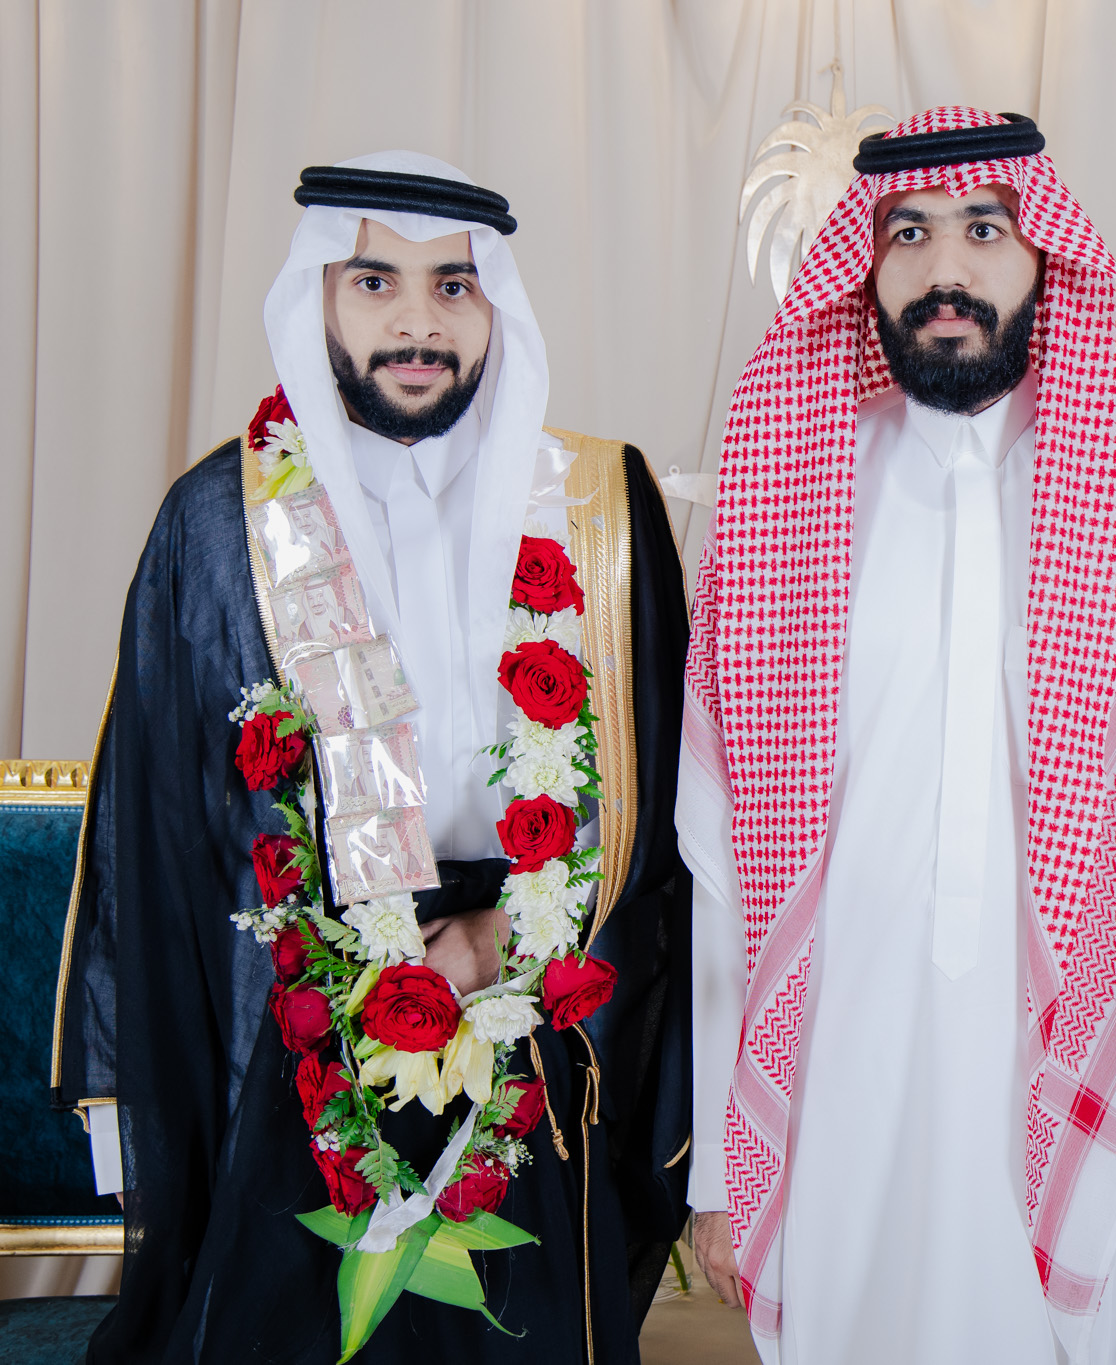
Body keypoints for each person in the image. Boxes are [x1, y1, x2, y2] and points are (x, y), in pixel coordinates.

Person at [52, 151, 691, 1363]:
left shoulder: (593, 508)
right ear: (319, 296)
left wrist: (500, 941)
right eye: (374, 281)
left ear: (495, 303)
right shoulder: (221, 517)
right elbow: (154, 814)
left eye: (453, 285)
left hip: (529, 1012)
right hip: (294, 1017)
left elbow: (659, 803)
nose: (417, 323)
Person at [678, 107, 1116, 1364]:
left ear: (1042, 255)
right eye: (906, 233)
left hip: (1079, 1079)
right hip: (836, 1080)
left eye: (982, 229)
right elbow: (722, 862)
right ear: (865, 264)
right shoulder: (788, 482)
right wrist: (720, 1172)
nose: (944, 268)